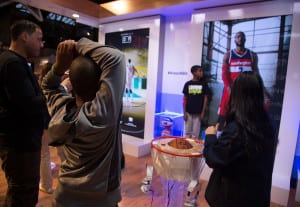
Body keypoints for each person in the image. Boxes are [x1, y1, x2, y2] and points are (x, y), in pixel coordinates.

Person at [41, 37, 126, 207]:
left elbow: (48, 86)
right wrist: (76, 46)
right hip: (101, 200)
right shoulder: (103, 113)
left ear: (71, 83)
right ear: (101, 83)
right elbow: (116, 57)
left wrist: (59, 66)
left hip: (64, 197)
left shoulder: (60, 109)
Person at [204, 71, 277, 207]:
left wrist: (210, 136)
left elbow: (214, 158)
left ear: (237, 95)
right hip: (256, 198)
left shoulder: (237, 129)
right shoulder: (267, 125)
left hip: (232, 199)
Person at [0, 20, 48, 206]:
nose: (42, 44)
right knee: (23, 193)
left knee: (21, 190)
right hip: (20, 144)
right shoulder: (12, 63)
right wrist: (59, 89)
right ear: (24, 36)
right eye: (39, 39)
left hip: (20, 142)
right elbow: (29, 104)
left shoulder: (14, 62)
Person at [218, 31, 259, 131]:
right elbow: (224, 74)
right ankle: (219, 134)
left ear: (245, 39)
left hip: (246, 87)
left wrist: (258, 88)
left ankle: (242, 135)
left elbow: (256, 72)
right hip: (232, 87)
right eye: (237, 37)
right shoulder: (228, 55)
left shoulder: (252, 55)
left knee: (246, 111)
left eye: (242, 37)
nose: (240, 39)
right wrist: (228, 87)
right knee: (224, 110)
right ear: (234, 40)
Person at [182, 65, 208, 138]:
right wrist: (184, 112)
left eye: (201, 71)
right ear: (194, 72)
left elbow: (205, 99)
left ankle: (194, 149)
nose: (202, 72)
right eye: (200, 71)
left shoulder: (204, 84)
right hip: (188, 112)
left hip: (198, 113)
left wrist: (203, 112)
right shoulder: (187, 84)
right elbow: (184, 98)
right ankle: (186, 148)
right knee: (187, 133)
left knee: (195, 134)